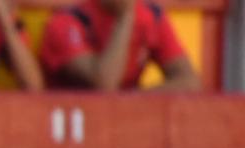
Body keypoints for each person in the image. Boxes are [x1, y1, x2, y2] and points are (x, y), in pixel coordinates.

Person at [38, 0, 200, 90]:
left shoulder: (151, 15)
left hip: (129, 123)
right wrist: (125, 17)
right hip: (77, 129)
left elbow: (190, 82)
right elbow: (104, 84)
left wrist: (135, 100)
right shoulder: (68, 21)